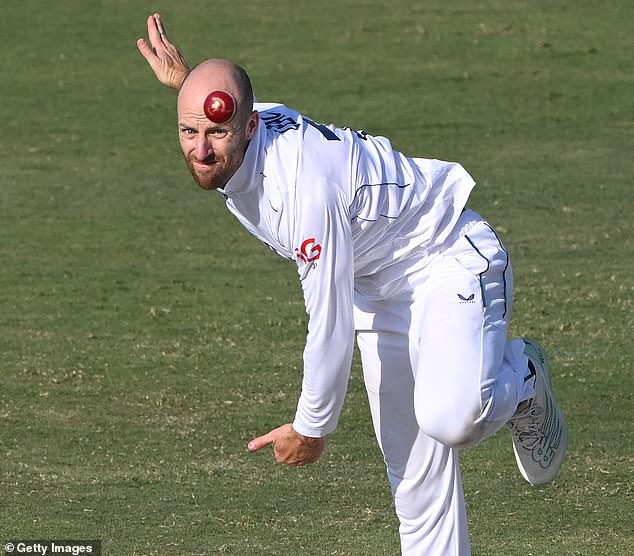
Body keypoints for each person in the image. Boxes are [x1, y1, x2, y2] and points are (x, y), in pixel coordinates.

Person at [137, 13, 568, 555]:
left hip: (444, 256)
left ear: (248, 128)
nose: (201, 149)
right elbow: (223, 101)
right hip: (378, 288)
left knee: (451, 418)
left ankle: (523, 375)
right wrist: (187, 82)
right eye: (188, 130)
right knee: (413, 482)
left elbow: (330, 322)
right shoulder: (239, 129)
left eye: (216, 133)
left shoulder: (303, 191)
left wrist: (310, 426)